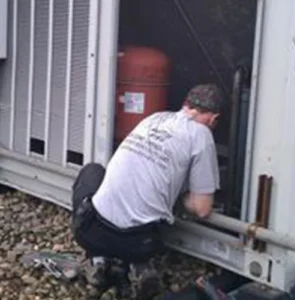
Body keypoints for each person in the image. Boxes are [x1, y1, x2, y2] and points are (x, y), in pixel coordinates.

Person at [71, 84, 223, 299]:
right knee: (145, 223)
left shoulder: (154, 118)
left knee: (93, 171)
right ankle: (137, 265)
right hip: (139, 243)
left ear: (185, 105)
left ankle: (98, 260)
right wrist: (180, 195)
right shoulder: (201, 134)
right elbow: (202, 209)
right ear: (213, 118)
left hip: (91, 233)